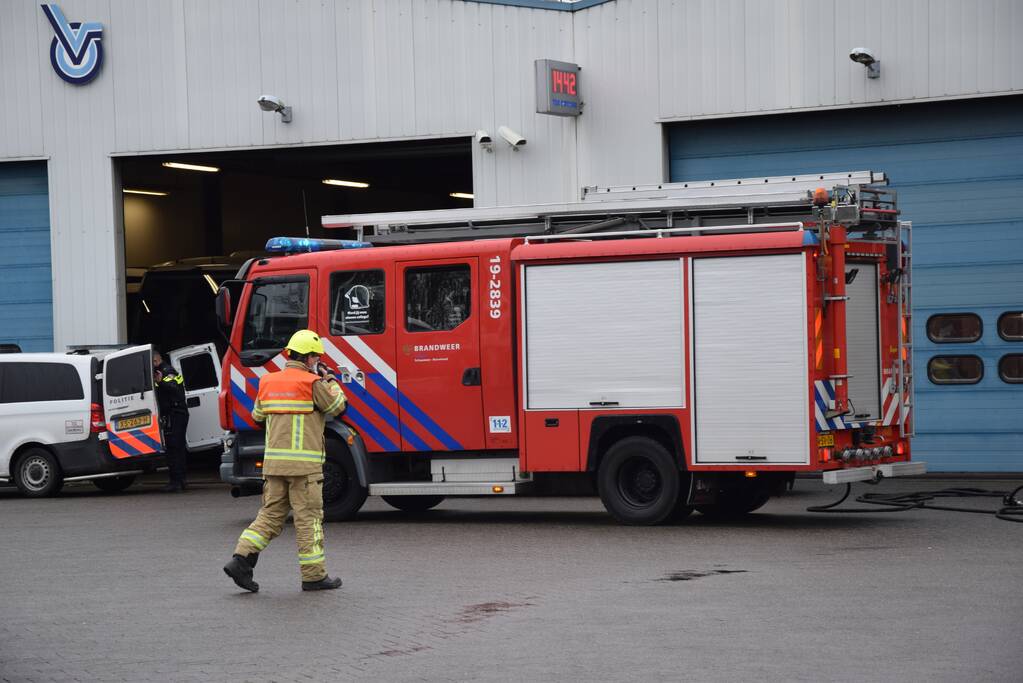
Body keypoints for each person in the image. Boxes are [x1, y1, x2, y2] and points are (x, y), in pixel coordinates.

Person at [223, 329, 347, 593]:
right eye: (316, 358)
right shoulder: (313, 383)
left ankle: (240, 560)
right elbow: (338, 406)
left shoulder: (268, 382)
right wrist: (331, 379)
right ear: (309, 358)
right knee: (309, 520)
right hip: (304, 469)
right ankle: (314, 576)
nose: (317, 362)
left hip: (275, 466)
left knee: (268, 516)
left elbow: (257, 417)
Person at [152, 350, 189, 493]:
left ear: (156, 361)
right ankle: (179, 481)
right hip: (172, 415)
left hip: (176, 414)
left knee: (175, 448)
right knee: (174, 448)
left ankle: (177, 482)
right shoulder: (159, 372)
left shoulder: (167, 371)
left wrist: (161, 382)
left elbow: (174, 389)